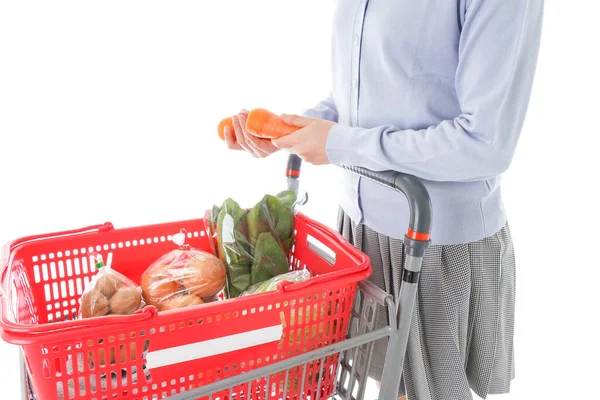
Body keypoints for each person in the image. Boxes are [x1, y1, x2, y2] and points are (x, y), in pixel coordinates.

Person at [222, 0, 544, 399]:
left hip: (436, 243)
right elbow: (364, 97)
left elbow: (484, 144)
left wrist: (340, 143)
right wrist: (290, 129)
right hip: (358, 232)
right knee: (382, 386)